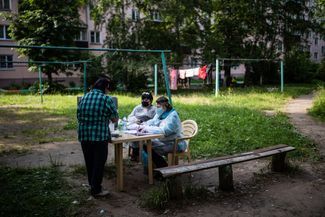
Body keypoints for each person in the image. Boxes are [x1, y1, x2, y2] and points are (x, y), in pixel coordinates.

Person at [77, 78, 119, 197]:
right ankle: (96, 190)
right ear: (105, 87)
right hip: (99, 135)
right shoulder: (106, 99)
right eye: (108, 88)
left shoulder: (84, 97)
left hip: (84, 135)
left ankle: (92, 185)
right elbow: (114, 119)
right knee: (99, 163)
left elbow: (78, 116)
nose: (108, 90)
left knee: (89, 161)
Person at [140, 96, 186, 168]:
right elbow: (153, 121)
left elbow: (165, 131)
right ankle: (156, 167)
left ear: (164, 106)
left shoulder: (173, 116)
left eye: (158, 107)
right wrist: (143, 125)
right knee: (145, 145)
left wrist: (147, 129)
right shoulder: (161, 113)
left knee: (149, 147)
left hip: (176, 143)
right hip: (166, 141)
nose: (157, 109)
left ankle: (163, 167)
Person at [127, 91, 156, 161]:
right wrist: (135, 120)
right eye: (143, 99)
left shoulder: (154, 109)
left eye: (147, 99)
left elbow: (155, 120)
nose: (145, 100)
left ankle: (142, 154)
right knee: (134, 136)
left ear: (151, 100)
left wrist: (145, 123)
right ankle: (135, 153)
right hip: (136, 126)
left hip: (148, 128)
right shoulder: (137, 108)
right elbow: (130, 117)